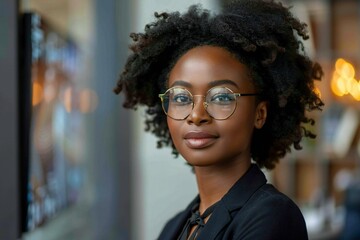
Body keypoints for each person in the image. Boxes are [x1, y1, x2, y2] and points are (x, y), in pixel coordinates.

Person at [114, 0, 324, 239]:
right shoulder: (174, 227)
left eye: (222, 97)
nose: (196, 115)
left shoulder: (273, 217)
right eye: (181, 98)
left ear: (260, 114)